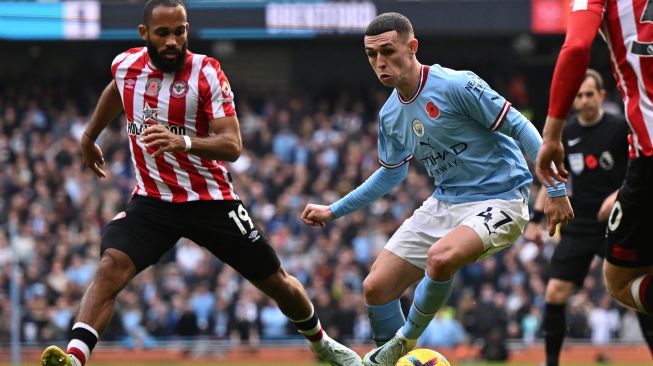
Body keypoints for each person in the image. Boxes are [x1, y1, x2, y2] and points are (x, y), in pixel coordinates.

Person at [40, 1, 362, 365]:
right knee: (111, 264)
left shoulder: (207, 73)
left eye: (180, 31)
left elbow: (233, 145)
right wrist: (88, 137)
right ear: (144, 34)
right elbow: (116, 89)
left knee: (276, 282)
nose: (173, 41)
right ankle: (74, 358)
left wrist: (185, 142)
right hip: (153, 200)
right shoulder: (126, 65)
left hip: (210, 200)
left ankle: (321, 343)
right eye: (163, 33)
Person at [301, 12, 573, 366]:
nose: (380, 62)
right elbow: (390, 176)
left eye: (388, 51)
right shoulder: (389, 116)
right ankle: (400, 357)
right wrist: (333, 210)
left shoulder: (456, 85)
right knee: (376, 288)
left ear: (412, 47)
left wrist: (555, 191)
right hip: (445, 202)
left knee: (441, 258)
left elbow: (521, 127)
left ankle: (404, 343)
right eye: (372, 56)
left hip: (501, 200)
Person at [526, 69, 653, 366]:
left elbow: (643, 169)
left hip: (621, 220)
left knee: (634, 294)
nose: (583, 101)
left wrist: (619, 194)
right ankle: (551, 362)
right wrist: (534, 220)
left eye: (588, 94)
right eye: (578, 96)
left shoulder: (621, 128)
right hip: (581, 222)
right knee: (555, 292)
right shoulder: (566, 133)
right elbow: (553, 178)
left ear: (601, 96)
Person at [536, 0, 653, 317]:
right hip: (583, 223)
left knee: (620, 280)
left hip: (649, 153)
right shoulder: (582, 131)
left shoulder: (614, 128)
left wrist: (551, 135)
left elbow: (575, 49)